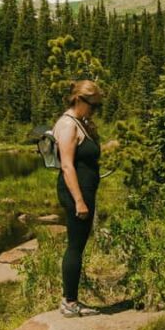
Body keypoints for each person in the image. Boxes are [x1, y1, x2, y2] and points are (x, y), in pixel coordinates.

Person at [52, 80, 103, 317]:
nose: (95, 110)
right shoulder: (68, 125)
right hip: (76, 193)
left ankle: (70, 299)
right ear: (80, 100)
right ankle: (69, 302)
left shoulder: (80, 123)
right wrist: (79, 201)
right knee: (75, 246)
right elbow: (67, 166)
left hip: (83, 191)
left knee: (78, 245)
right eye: (93, 105)